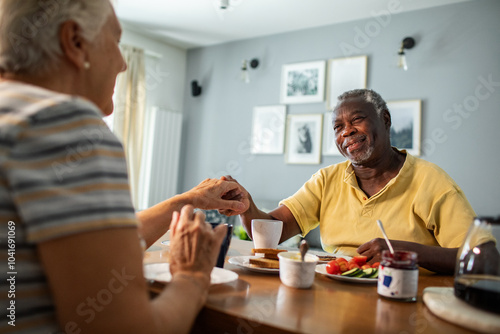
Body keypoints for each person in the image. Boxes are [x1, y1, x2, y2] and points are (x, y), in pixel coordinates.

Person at [0, 1, 248, 333]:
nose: (122, 65)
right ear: (75, 42)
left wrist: (187, 200)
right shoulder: (63, 124)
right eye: (116, 41)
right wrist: (193, 276)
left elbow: (88, 246)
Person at [220, 89, 476, 275]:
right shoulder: (326, 180)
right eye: (338, 126)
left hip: (404, 298)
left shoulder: (432, 181)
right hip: (333, 293)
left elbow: (482, 258)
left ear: (385, 120)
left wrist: (405, 252)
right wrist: (246, 205)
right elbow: (269, 233)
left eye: (356, 120)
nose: (346, 131)